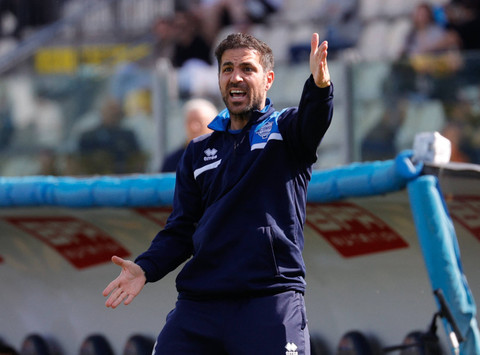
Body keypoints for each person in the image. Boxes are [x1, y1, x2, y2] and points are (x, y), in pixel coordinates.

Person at [103, 32, 333, 354]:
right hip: (201, 303)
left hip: (268, 297)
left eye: (247, 69)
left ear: (268, 79)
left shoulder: (287, 130)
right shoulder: (198, 151)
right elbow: (182, 229)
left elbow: (314, 120)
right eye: (227, 69)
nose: (236, 77)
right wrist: (145, 267)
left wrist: (320, 88)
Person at [161, 98, 217, 172]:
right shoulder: (173, 161)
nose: (194, 127)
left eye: (200, 121)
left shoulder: (225, 154)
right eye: (190, 121)